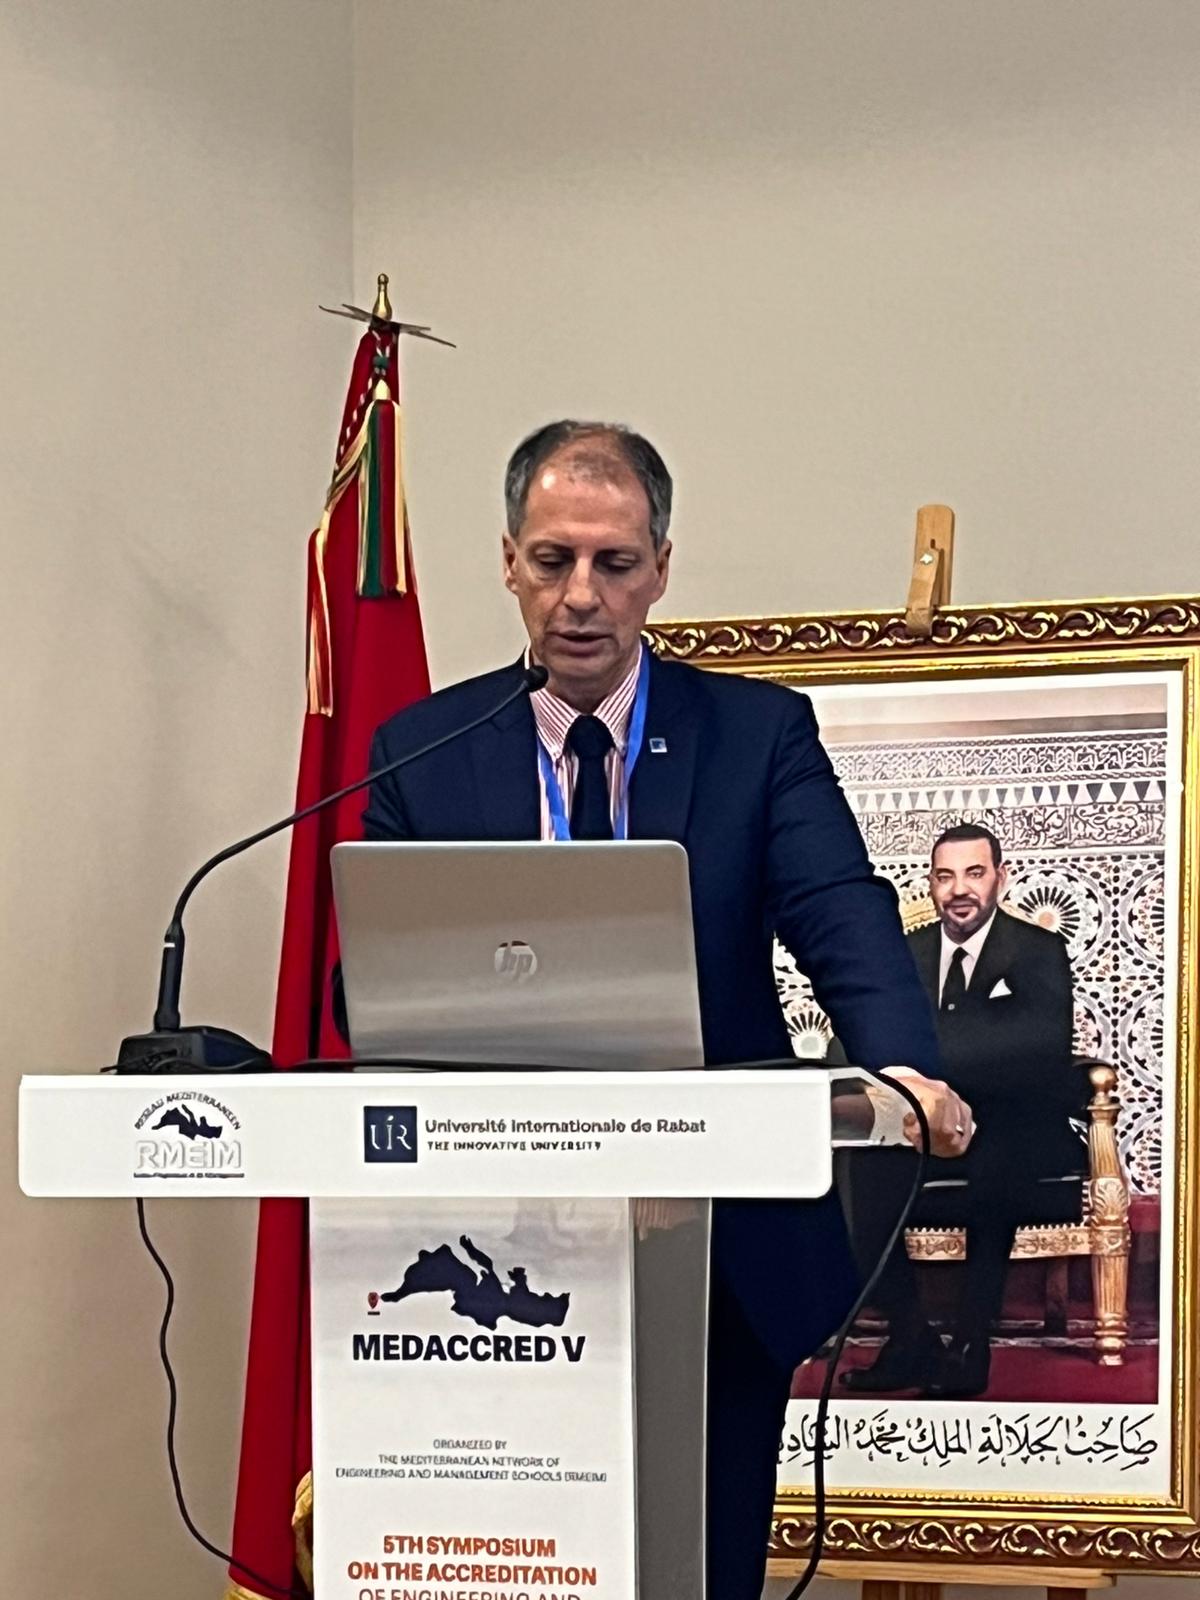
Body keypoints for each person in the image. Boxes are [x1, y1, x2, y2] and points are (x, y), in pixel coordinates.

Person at [361, 419, 973, 1599]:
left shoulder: (756, 734)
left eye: (615, 562)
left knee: (704, 1563)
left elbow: (838, 909)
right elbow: (376, 984)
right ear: (508, 561)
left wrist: (903, 1067)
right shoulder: (421, 751)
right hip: (492, 1251)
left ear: (661, 570)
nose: (581, 595)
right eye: (553, 560)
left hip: (713, 1248)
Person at [841, 822, 1087, 1400]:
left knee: (998, 1158)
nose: (959, 889)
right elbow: (866, 1036)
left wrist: (930, 1052)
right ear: (931, 884)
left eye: (974, 873)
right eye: (945, 876)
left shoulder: (1037, 948)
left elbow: (1041, 1044)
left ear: (1001, 878)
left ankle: (971, 1344)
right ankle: (910, 1337)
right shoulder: (908, 952)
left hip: (1016, 1118)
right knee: (858, 1165)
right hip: (924, 1122)